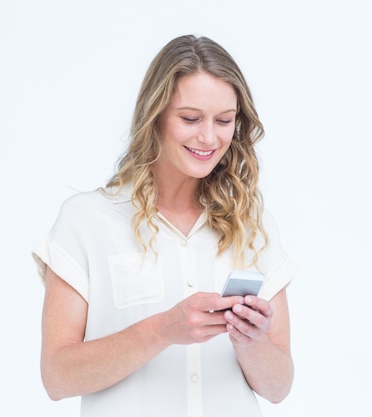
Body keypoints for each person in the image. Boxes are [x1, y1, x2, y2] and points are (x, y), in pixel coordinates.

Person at [32, 34, 296, 417]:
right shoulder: (86, 221)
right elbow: (57, 378)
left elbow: (279, 387)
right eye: (190, 119)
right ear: (154, 116)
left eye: (224, 120)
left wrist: (251, 342)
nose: (209, 137)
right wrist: (162, 330)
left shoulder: (254, 227)